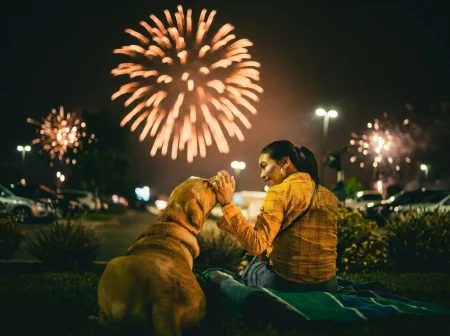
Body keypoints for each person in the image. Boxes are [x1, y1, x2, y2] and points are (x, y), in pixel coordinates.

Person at [211, 140, 338, 292]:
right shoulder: (328, 195)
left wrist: (226, 204)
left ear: (284, 162)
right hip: (328, 284)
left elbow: (256, 245)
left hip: (288, 283)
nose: (262, 174)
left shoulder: (279, 192)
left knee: (250, 269)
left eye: (264, 166)